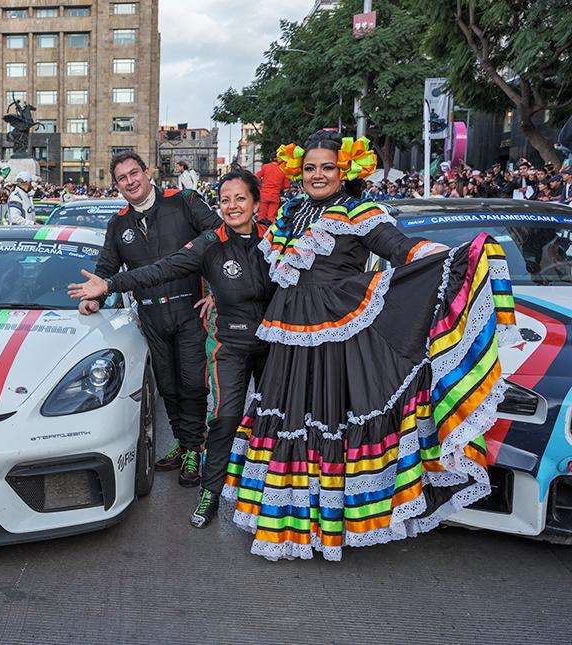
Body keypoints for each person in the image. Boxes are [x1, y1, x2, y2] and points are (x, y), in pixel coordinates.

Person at [218, 130, 515, 561]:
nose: (318, 175)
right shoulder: (290, 213)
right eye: (310, 168)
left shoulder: (360, 211)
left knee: (330, 422)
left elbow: (400, 248)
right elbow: (266, 272)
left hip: (337, 338)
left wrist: (453, 257)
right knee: (288, 419)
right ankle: (289, 525)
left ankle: (332, 527)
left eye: (327, 168)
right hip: (289, 338)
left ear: (345, 171)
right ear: (297, 172)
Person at [69, 169, 273, 526]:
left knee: (271, 415)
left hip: (269, 340)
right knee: (210, 409)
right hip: (211, 335)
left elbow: (313, 278)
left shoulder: (272, 235)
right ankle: (206, 481)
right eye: (225, 200)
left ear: (256, 202)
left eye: (240, 199)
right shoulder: (128, 227)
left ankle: (276, 496)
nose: (232, 206)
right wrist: (106, 288)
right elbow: (162, 268)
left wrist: (212, 292)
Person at [80, 151, 221, 486]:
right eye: (123, 179)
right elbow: (105, 270)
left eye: (134, 174)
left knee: (191, 383)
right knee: (167, 387)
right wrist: (93, 298)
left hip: (190, 310)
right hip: (151, 316)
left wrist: (217, 290)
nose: (131, 182)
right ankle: (183, 442)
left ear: (147, 172)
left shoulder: (184, 201)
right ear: (117, 186)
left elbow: (220, 238)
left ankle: (193, 450)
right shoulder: (118, 224)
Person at [255, 158, 290, 224]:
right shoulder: (283, 170)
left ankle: (260, 231)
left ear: (271, 159)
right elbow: (286, 186)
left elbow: (256, 177)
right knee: (271, 217)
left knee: (261, 216)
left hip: (264, 194)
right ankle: (269, 231)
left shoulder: (265, 167)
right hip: (275, 195)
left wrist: (260, 186)